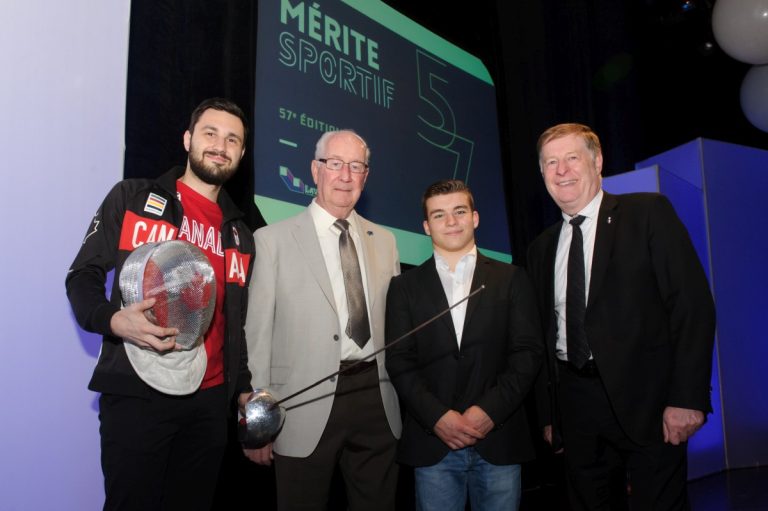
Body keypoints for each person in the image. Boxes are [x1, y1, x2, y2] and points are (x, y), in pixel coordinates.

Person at [66, 97, 256, 511]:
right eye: (210, 133)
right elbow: (81, 277)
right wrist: (114, 321)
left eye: (232, 140)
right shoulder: (132, 197)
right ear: (188, 139)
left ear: (241, 153)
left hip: (208, 405)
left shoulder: (241, 234)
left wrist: (241, 390)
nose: (220, 146)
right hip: (137, 394)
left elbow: (233, 323)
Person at [526, 122, 716, 510]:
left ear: (597, 163)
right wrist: (551, 416)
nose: (561, 170)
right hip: (576, 407)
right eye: (550, 162)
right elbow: (543, 337)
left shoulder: (647, 213)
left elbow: (691, 306)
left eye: (571, 158)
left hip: (651, 405)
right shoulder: (540, 248)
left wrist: (688, 397)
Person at [242, 129, 401, 510]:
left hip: (376, 399)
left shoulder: (386, 240)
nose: (345, 175)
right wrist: (258, 420)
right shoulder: (272, 240)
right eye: (335, 164)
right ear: (315, 170)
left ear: (366, 175)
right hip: (302, 404)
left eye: (356, 166)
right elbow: (258, 333)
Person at [385, 179, 544, 511]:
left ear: (475, 218)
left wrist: (489, 412)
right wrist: (438, 417)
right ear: (427, 226)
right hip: (434, 444)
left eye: (459, 211)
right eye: (440, 215)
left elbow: (527, 354)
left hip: (499, 439)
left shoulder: (512, 278)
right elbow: (399, 360)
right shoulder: (404, 287)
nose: (451, 221)